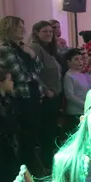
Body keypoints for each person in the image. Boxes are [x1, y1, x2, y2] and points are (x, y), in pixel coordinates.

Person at [0, 16, 44, 176]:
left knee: (34, 135)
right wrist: (33, 73)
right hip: (21, 98)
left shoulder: (23, 48)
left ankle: (32, 171)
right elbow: (20, 76)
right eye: (18, 27)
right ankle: (25, 173)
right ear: (9, 29)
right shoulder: (6, 49)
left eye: (23, 26)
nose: (23, 30)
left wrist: (32, 55)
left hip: (33, 94)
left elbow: (40, 67)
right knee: (26, 137)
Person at [30, 20, 62, 169]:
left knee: (52, 131)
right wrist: (45, 90)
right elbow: (34, 72)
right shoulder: (36, 47)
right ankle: (47, 166)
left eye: (50, 31)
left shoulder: (48, 49)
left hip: (54, 96)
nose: (49, 34)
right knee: (47, 133)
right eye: (45, 31)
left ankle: (50, 163)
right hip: (46, 98)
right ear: (36, 33)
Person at [63, 48, 91, 133]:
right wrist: (85, 104)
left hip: (86, 111)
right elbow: (69, 95)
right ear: (69, 62)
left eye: (81, 59)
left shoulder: (84, 74)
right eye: (76, 59)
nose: (80, 62)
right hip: (75, 113)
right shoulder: (69, 76)